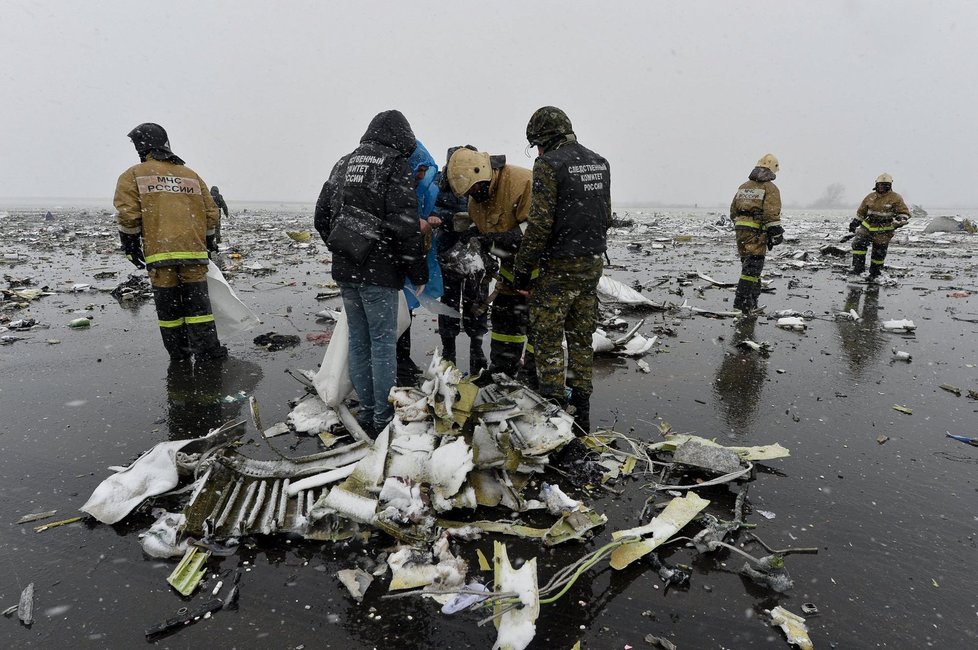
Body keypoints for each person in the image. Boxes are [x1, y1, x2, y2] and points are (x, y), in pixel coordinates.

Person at [314, 110, 427, 436]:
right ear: (402, 138)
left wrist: (344, 246)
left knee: (360, 342)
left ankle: (366, 413)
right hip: (379, 271)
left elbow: (321, 216)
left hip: (346, 269)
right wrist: (416, 270)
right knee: (381, 344)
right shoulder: (394, 164)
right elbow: (406, 224)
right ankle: (381, 420)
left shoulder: (343, 163)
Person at [511, 106, 611, 434]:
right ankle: (581, 407)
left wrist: (522, 269)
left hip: (559, 267)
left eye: (536, 145)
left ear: (544, 140)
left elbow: (540, 224)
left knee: (549, 338)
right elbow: (604, 214)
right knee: (581, 337)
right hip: (591, 262)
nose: (536, 152)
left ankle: (553, 410)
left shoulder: (549, 164)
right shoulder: (599, 162)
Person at [114, 122, 227, 361]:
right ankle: (208, 352)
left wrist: (130, 245)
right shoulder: (191, 175)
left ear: (141, 147)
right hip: (194, 254)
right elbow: (211, 213)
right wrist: (208, 241)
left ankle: (179, 355)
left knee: (169, 311)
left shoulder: (133, 175)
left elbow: (128, 214)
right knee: (199, 309)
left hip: (160, 255)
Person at [446, 147, 535, 382]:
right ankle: (503, 370)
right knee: (505, 322)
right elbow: (487, 233)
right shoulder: (476, 201)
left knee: (539, 330)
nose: (473, 194)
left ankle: (534, 375)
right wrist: (475, 236)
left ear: (482, 173)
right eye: (468, 192)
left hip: (540, 275)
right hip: (510, 274)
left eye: (474, 188)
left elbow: (535, 231)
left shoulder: (522, 181)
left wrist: (496, 240)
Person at [436, 146, 493, 374]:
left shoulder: (482, 181)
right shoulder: (440, 184)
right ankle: (449, 351)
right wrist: (449, 219)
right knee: (448, 303)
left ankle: (476, 349)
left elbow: (491, 212)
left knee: (477, 301)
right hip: (449, 251)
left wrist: (476, 228)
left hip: (477, 252)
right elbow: (431, 208)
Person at [396, 139, 445, 384]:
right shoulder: (396, 189)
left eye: (425, 171)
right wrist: (415, 224)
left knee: (407, 311)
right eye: (419, 171)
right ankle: (396, 367)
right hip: (395, 262)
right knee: (396, 314)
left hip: (410, 259)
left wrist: (431, 219)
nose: (422, 175)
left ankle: (402, 360)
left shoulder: (425, 191)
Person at [730, 154, 784, 315]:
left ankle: (752, 300)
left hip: (741, 231)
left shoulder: (744, 186)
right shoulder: (770, 188)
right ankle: (742, 303)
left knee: (748, 265)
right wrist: (776, 233)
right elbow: (771, 213)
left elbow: (733, 210)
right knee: (753, 268)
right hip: (757, 231)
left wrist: (741, 225)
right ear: (772, 169)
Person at [848, 173, 911, 280]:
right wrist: (855, 222)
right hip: (867, 226)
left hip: (884, 229)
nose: (881, 187)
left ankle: (875, 272)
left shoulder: (895, 198)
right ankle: (858, 269)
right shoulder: (870, 197)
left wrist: (901, 218)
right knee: (858, 244)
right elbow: (861, 212)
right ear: (876, 184)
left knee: (879, 251)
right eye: (880, 184)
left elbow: (903, 212)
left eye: (885, 185)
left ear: (889, 185)